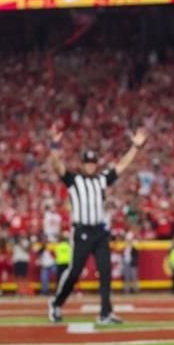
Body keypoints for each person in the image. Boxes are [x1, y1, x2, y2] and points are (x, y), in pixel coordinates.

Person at [47, 126, 148, 325]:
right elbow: (57, 165)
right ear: (83, 164)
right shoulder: (74, 180)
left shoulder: (101, 180)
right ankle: (56, 303)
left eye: (93, 163)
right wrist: (55, 144)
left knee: (106, 271)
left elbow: (121, 166)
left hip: (100, 232)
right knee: (75, 272)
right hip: (82, 231)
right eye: (88, 163)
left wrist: (135, 147)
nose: (91, 166)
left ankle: (105, 312)